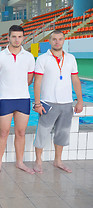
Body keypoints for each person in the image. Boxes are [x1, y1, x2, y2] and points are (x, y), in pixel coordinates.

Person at [33, 30, 83, 173]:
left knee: (62, 133)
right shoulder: (42, 59)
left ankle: (58, 161)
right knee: (42, 133)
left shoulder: (71, 58)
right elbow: (37, 82)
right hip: (48, 102)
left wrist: (79, 100)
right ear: (50, 41)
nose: (57, 42)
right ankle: (38, 161)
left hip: (66, 102)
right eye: (54, 39)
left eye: (60, 39)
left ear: (63, 41)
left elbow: (75, 79)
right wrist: (37, 103)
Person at [0, 25, 35, 175]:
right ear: (8, 37)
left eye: (20, 37)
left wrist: (18, 88)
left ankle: (20, 162)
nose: (17, 40)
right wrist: (3, 90)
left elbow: (29, 79)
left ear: (23, 38)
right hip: (5, 100)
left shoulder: (29, 57)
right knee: (3, 132)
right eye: (14, 36)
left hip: (23, 99)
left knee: (21, 132)